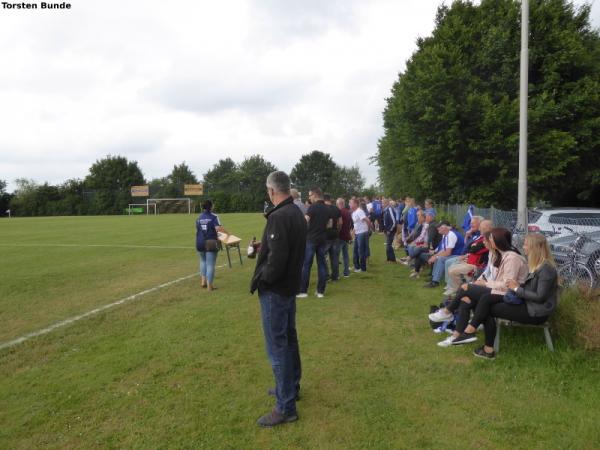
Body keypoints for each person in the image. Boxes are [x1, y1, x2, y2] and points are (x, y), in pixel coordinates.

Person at [250, 171, 307, 427]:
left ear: (272, 190)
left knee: (278, 347)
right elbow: (283, 248)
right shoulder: (294, 211)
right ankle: (291, 388)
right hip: (289, 287)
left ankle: (285, 407)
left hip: (277, 290)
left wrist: (263, 280)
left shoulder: (280, 215)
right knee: (289, 340)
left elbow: (277, 261)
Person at [464, 233, 559, 359]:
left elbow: (540, 297)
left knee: (487, 308)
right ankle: (472, 331)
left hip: (535, 312)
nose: (523, 247)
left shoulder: (546, 269)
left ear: (535, 247)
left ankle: (485, 346)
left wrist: (516, 288)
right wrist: (515, 287)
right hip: (526, 303)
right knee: (487, 298)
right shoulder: (537, 265)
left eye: (525, 244)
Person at [431, 227, 529, 347]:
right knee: (465, 299)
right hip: (496, 291)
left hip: (508, 295)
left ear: (498, 240)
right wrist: (481, 281)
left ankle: (447, 312)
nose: (485, 241)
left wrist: (484, 284)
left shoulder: (512, 258)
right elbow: (488, 275)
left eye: (489, 239)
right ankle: (457, 336)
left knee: (465, 288)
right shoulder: (497, 254)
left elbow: (507, 285)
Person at [299, 187, 331, 298]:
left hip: (311, 239)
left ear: (315, 195)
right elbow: (330, 224)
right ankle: (320, 291)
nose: (309, 198)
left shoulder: (312, 207)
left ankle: (303, 291)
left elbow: (305, 221)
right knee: (322, 264)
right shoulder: (328, 208)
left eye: (310, 195)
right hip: (322, 239)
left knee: (306, 265)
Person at [195, 200, 229, 292]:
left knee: (202, 261)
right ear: (211, 207)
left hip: (199, 241)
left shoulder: (199, 217)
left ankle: (203, 282)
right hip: (211, 241)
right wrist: (228, 234)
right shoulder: (214, 216)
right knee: (210, 264)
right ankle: (210, 287)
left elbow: (197, 230)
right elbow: (218, 228)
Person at [324, 194, 342, 281]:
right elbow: (340, 222)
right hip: (335, 235)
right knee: (335, 257)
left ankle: (326, 275)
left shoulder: (323, 208)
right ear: (330, 199)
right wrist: (338, 230)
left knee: (323, 256)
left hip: (325, 236)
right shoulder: (336, 208)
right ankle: (335, 276)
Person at [351, 197, 371, 272]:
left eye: (351, 203)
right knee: (355, 250)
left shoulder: (359, 211)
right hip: (357, 233)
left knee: (361, 251)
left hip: (362, 233)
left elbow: (367, 220)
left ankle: (363, 268)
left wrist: (368, 230)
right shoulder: (353, 212)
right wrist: (353, 232)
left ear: (355, 204)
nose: (350, 204)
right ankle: (357, 267)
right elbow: (356, 224)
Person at [336, 197, 352, 278]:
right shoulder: (348, 212)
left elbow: (339, 223)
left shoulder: (339, 212)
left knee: (336, 256)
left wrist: (337, 232)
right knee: (345, 255)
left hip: (340, 236)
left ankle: (337, 274)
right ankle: (346, 272)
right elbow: (349, 224)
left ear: (339, 204)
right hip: (346, 235)